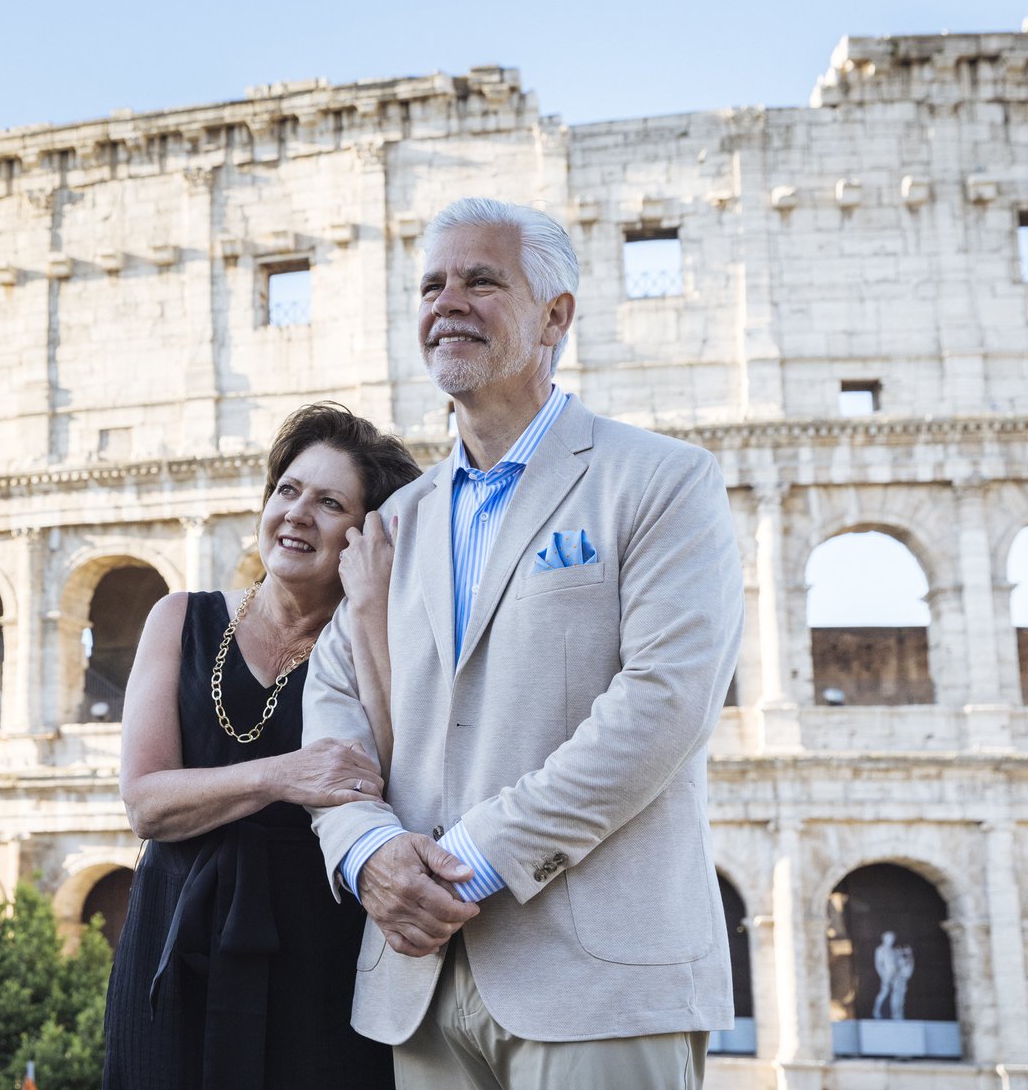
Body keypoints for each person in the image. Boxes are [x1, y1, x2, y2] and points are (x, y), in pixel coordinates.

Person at [304, 197, 743, 1089]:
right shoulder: (393, 524)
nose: (447, 302)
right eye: (431, 285)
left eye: (480, 281)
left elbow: (664, 705)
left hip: (599, 983)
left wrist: (467, 862)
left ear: (556, 316)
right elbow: (334, 707)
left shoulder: (660, 481)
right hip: (419, 988)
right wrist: (367, 852)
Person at [102, 402, 419, 1090]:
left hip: (317, 948)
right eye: (288, 489)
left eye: (330, 502)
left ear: (364, 536)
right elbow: (147, 803)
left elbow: (401, 779)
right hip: (176, 939)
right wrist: (284, 775)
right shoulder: (180, 618)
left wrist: (368, 610)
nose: (298, 513)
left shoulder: (368, 642)